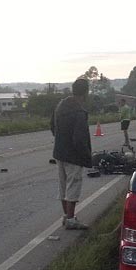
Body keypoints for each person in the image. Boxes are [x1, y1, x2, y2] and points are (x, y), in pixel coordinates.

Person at [50, 78, 92, 230]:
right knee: (73, 186)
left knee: (63, 185)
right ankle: (71, 219)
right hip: (73, 155)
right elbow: (80, 139)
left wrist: (61, 140)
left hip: (60, 152)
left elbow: (52, 126)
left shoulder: (60, 106)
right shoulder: (79, 111)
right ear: (85, 92)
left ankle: (66, 217)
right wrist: (87, 157)